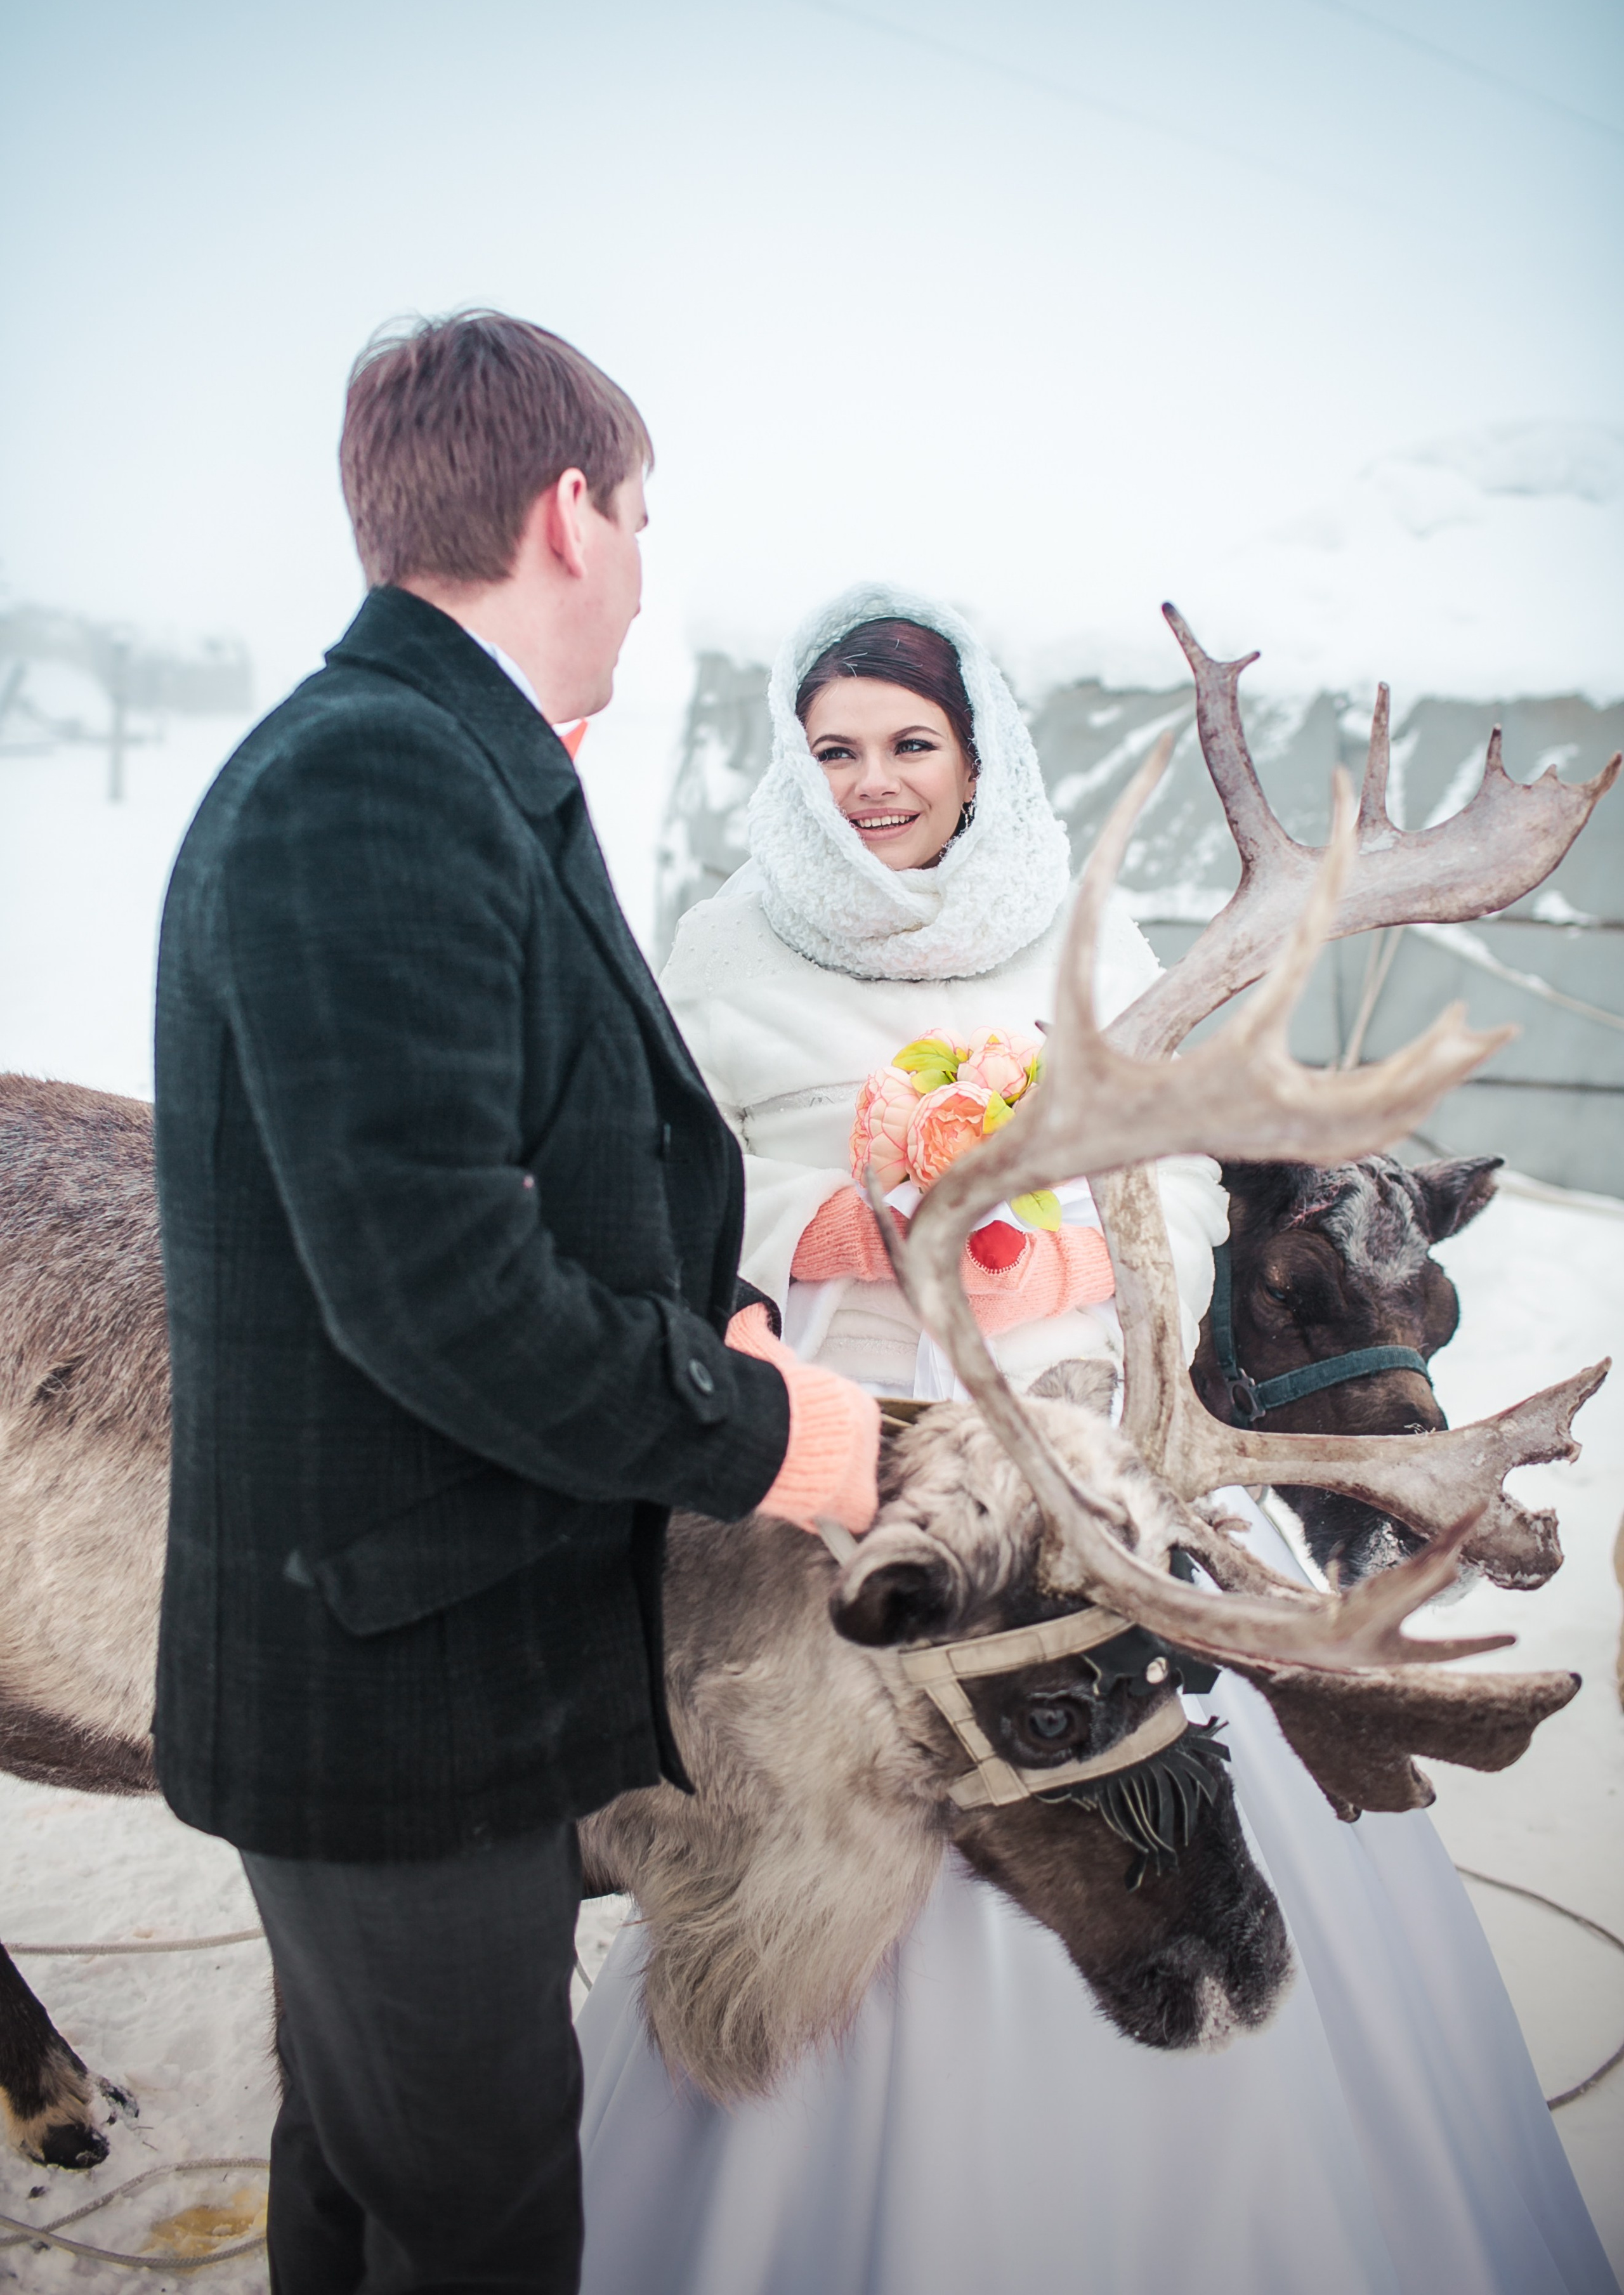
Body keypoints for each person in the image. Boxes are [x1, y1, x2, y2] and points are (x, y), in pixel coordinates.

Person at [574, 585, 1614, 2295]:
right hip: (854, 1466)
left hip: (1087, 1456)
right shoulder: (718, 943)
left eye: (910, 745)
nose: (873, 784)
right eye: (834, 751)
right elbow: (673, 1191)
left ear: (976, 752)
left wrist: (1039, 1236)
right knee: (858, 1807)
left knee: (1148, 1763)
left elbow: (1176, 1167)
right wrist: (847, 1222)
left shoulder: (1080, 928)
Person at [150, 313, 881, 2295]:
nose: (646, 560)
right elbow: (438, 1291)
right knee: (480, 2226)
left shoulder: (459, 767)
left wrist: (713, 1301)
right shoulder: (371, 786)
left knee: (367, 2177)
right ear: (570, 513)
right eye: (642, 515)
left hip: (435, 1659)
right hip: (384, 1693)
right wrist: (766, 1434)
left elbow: (532, 1160)